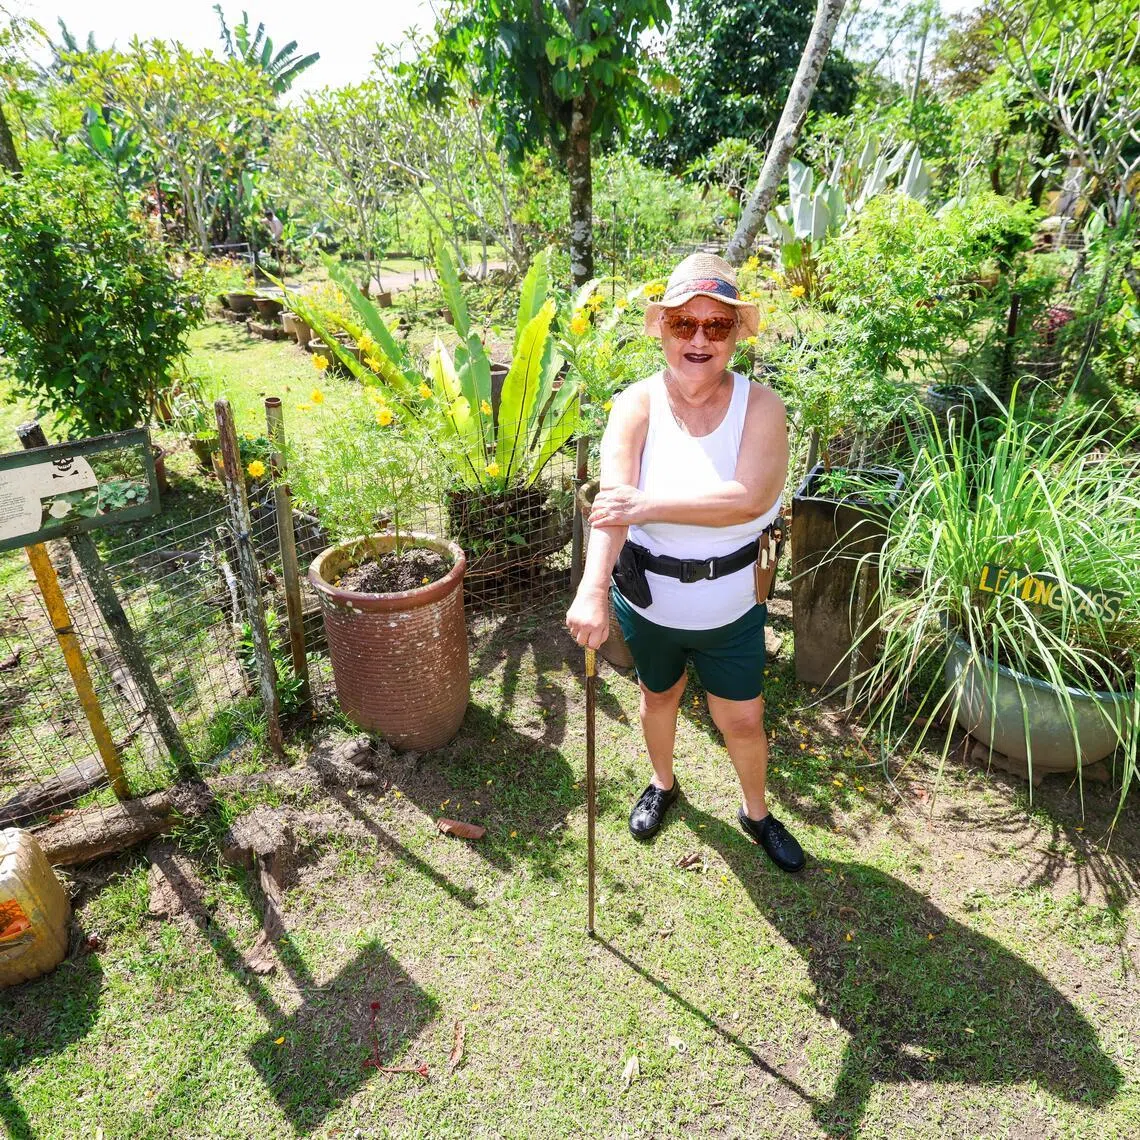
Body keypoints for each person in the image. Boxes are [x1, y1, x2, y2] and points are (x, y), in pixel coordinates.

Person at [565, 252, 804, 872]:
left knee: (743, 718)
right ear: (663, 329)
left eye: (718, 326)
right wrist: (593, 590)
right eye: (684, 325)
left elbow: (747, 499)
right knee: (656, 696)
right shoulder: (634, 406)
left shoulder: (763, 408)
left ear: (736, 337)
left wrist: (648, 501)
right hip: (649, 600)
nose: (700, 340)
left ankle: (756, 813)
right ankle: (664, 785)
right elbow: (612, 508)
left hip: (731, 606)